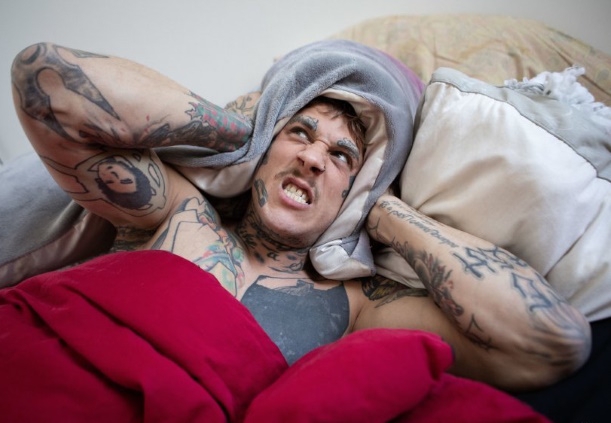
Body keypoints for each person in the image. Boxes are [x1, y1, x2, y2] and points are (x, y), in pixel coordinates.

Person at [11, 41, 591, 392]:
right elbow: (45, 79)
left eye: (343, 157)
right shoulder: (178, 210)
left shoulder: (359, 305)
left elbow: (551, 343)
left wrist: (383, 212)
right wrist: (246, 134)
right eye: (299, 133)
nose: (314, 158)